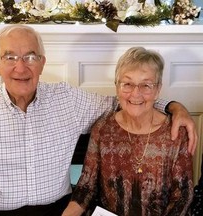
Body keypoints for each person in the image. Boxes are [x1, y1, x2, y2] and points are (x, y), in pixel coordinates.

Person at [0, 25, 197, 216]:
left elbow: (127, 101)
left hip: (57, 210)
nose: (21, 66)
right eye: (10, 56)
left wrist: (173, 107)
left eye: (30, 56)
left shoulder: (68, 100)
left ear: (42, 62)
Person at [62, 47, 194, 216]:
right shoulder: (103, 128)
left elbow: (182, 196)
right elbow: (86, 187)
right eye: (127, 84)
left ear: (158, 89)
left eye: (146, 85)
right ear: (117, 87)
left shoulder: (175, 132)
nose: (135, 93)